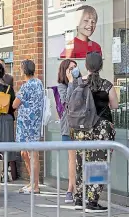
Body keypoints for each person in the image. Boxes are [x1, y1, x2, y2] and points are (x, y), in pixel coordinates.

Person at [68, 52, 118, 212]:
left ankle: (79, 199)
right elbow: (115, 105)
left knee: (81, 162)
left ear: (86, 66)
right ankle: (92, 202)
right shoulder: (107, 85)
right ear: (100, 66)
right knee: (99, 164)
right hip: (102, 128)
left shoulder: (79, 83)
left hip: (81, 128)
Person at [13, 60, 44, 195]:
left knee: (29, 153)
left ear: (23, 70)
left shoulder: (26, 86)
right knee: (31, 153)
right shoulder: (39, 83)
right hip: (35, 123)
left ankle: (35, 185)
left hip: (26, 124)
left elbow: (15, 104)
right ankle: (33, 182)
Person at [57, 59, 79, 203]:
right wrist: (71, 82)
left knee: (80, 159)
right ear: (65, 71)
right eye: (71, 68)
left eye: (75, 67)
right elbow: (67, 101)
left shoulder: (81, 82)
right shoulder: (62, 85)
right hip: (68, 126)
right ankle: (71, 190)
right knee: (72, 159)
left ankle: (74, 189)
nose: (74, 70)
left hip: (82, 124)